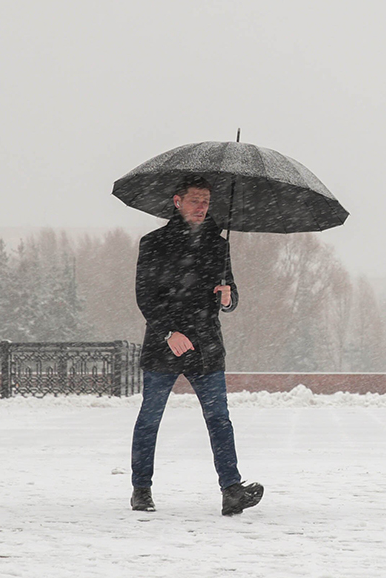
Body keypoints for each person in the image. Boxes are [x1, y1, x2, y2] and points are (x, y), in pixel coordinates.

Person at [129, 175, 263, 516]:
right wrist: (168, 333)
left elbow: (228, 294)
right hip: (165, 346)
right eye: (195, 200)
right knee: (150, 419)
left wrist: (229, 297)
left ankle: (231, 490)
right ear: (178, 202)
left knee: (219, 418)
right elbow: (144, 296)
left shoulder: (219, 245)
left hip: (207, 346)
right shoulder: (154, 243)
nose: (202, 207)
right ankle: (141, 489)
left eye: (206, 200)